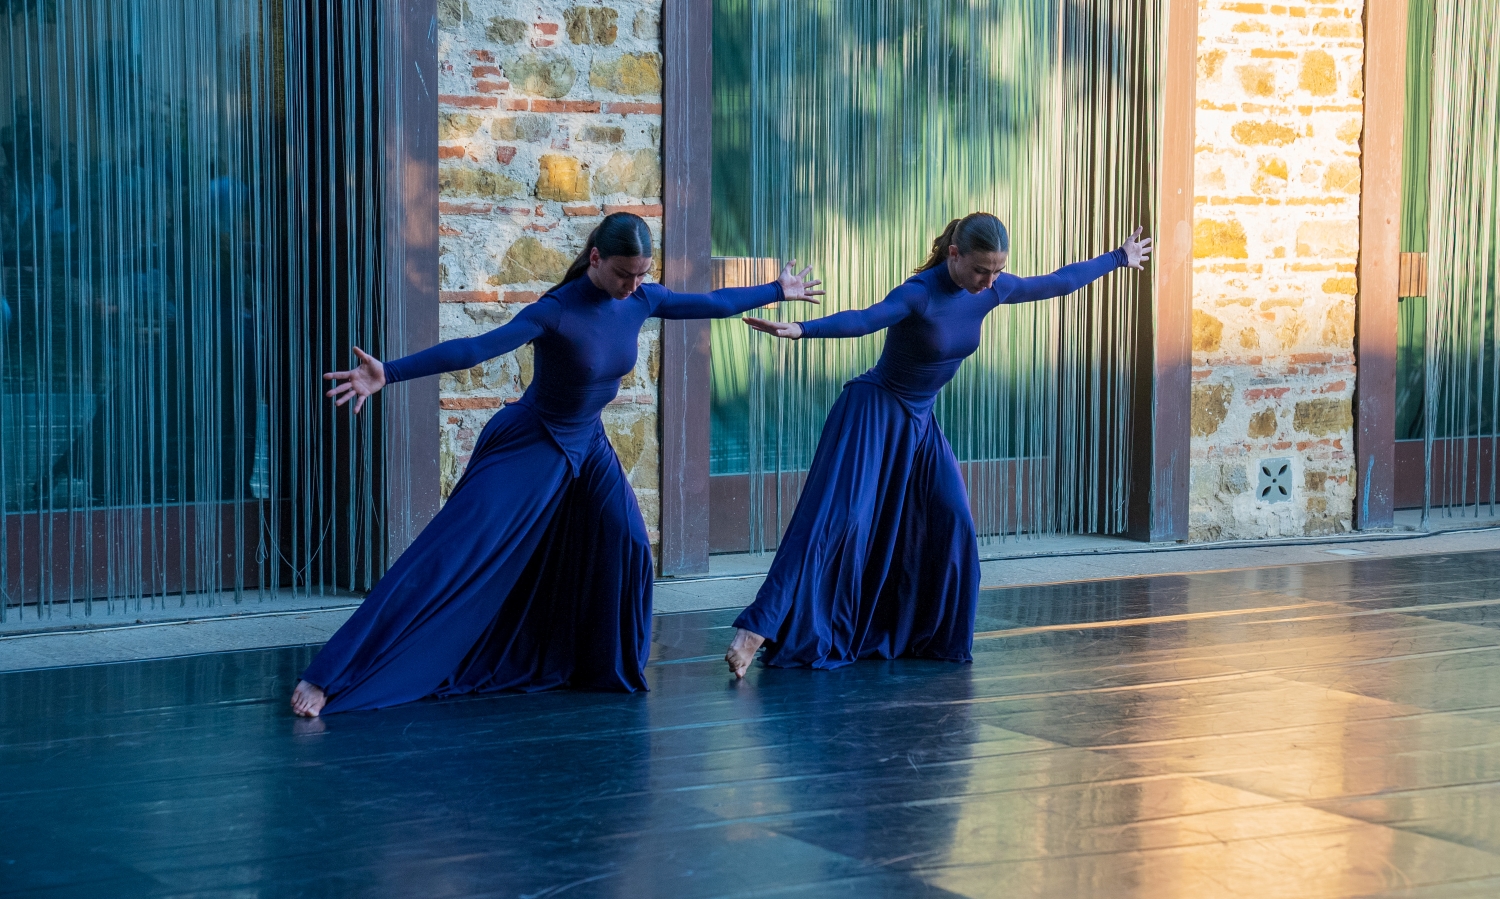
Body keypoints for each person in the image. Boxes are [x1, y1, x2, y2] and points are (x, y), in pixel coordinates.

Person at [291, 212, 822, 716]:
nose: (632, 285)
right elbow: (475, 349)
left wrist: (776, 291)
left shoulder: (640, 300)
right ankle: (330, 674)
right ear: (595, 258)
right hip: (534, 440)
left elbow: (710, 302)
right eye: (622, 274)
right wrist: (391, 372)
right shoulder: (557, 310)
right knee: (451, 553)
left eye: (641, 275)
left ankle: (603, 668)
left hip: (587, 443)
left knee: (632, 544)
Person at [723, 213, 1151, 678]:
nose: (990, 280)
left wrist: (1118, 258)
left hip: (921, 423)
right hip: (875, 412)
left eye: (998, 271)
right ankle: (755, 630)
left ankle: (926, 635)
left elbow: (1058, 282)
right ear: (954, 255)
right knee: (834, 521)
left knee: (953, 518)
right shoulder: (919, 293)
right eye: (981, 270)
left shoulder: (991, 290)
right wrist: (804, 329)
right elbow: (865, 320)